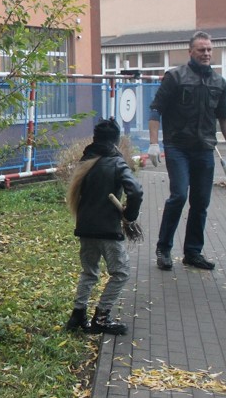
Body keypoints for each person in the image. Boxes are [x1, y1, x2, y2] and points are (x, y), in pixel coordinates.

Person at [146, 31, 226, 271]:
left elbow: (224, 116)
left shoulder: (218, 82)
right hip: (178, 147)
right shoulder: (175, 77)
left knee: (201, 202)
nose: (206, 53)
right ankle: (164, 248)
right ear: (190, 52)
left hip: (205, 149)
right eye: (201, 50)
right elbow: (156, 110)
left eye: (209, 49)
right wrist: (154, 143)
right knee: (179, 195)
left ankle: (193, 252)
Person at [65, 118, 143, 336]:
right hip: (108, 229)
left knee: (89, 272)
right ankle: (101, 318)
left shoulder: (85, 162)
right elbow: (136, 191)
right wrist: (129, 215)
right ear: (116, 141)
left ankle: (78, 315)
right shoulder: (117, 163)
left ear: (95, 139)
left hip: (85, 227)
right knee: (121, 272)